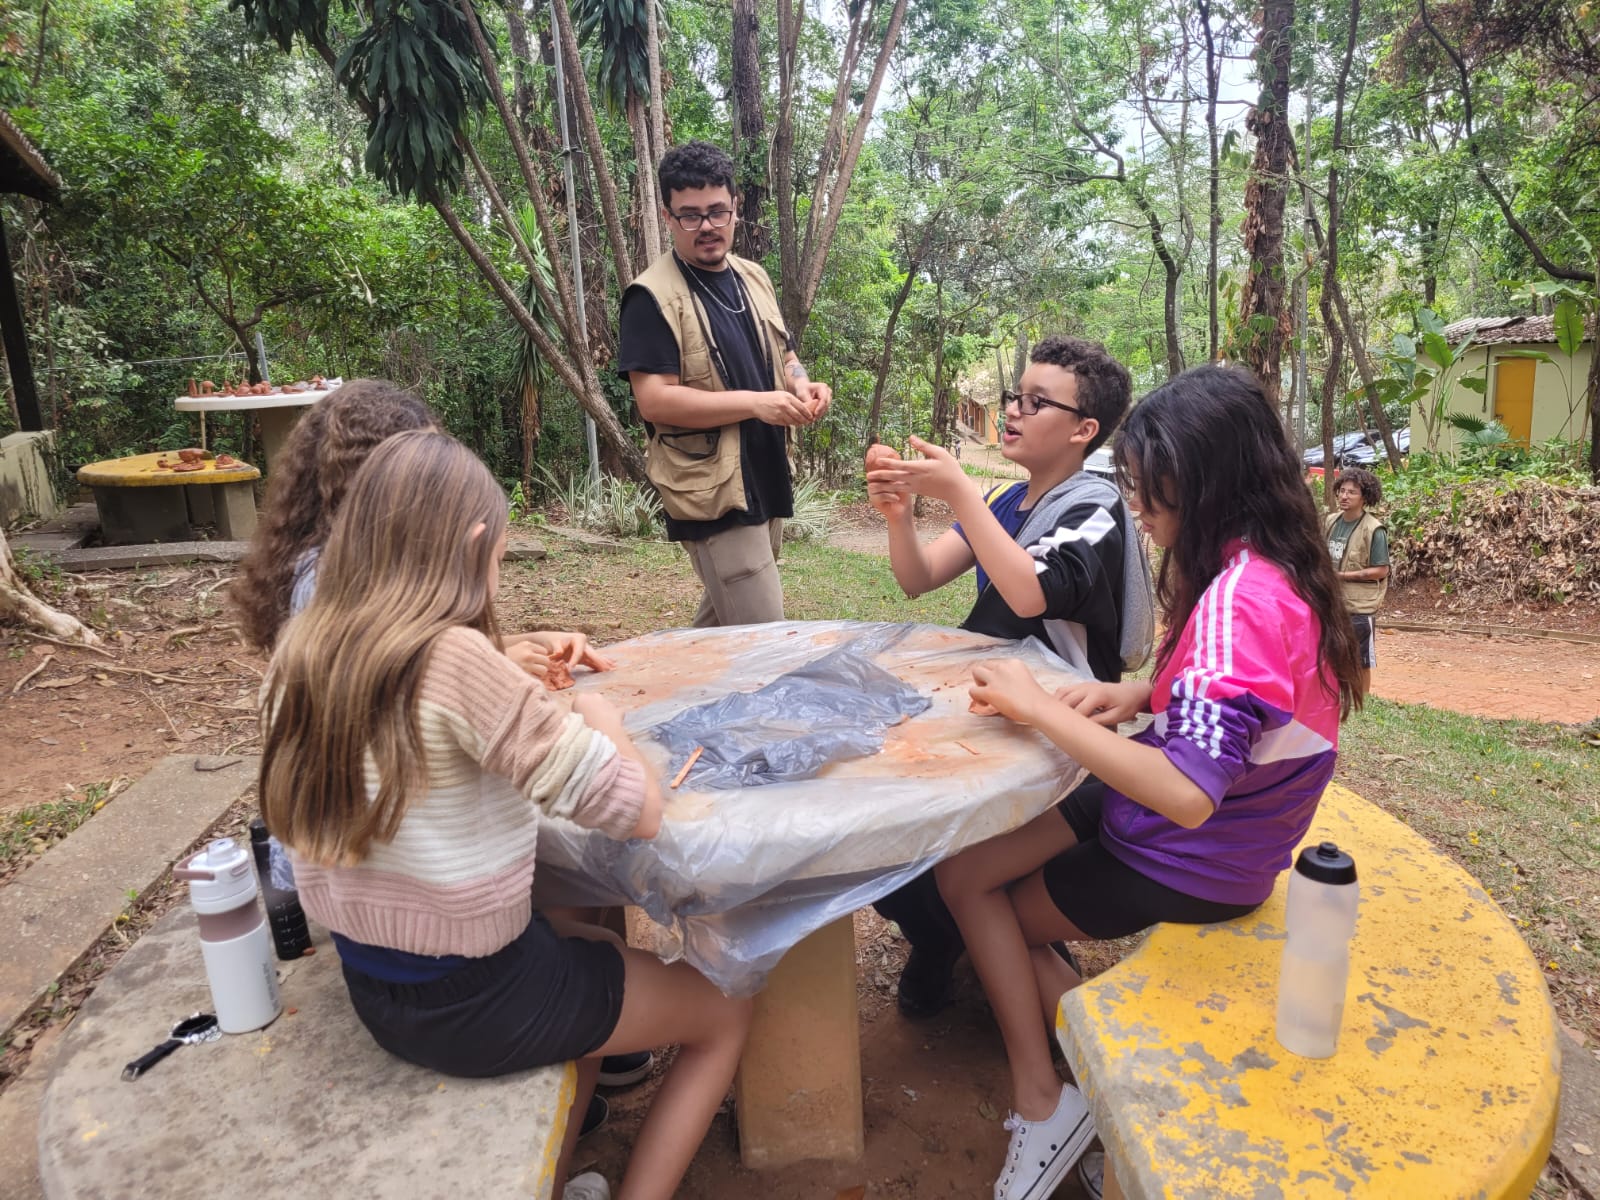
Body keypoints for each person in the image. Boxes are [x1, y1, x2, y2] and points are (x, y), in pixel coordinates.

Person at [258, 431, 752, 1200]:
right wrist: (603, 723)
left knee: (592, 948)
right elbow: (638, 809)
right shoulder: (457, 663)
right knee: (724, 1013)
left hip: (376, 986)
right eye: (498, 558)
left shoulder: (301, 651)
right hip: (479, 999)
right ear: (473, 545)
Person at [935, 366, 1363, 1200]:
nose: (1137, 504)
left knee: (995, 911)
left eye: (1147, 485)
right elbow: (1250, 709)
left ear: (1202, 481)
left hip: (1198, 850)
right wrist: (1139, 695)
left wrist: (1039, 707)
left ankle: (1061, 1098)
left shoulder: (1239, 605)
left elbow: (1187, 793)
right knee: (964, 873)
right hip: (1216, 814)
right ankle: (1083, 1084)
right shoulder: (1266, 566)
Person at [231, 380, 642, 1111]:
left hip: (374, 948)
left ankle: (598, 1068)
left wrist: (504, 656)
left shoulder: (316, 627)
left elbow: (398, 679)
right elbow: (629, 805)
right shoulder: (409, 635)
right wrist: (581, 709)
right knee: (649, 958)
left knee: (594, 931)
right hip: (441, 942)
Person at [864, 335, 1155, 1020]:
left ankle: (1011, 944)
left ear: (1084, 430)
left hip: (1057, 724)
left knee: (943, 845)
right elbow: (918, 577)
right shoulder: (1005, 500)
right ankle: (942, 937)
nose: (1014, 411)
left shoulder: (1092, 509)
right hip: (986, 704)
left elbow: (1030, 593)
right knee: (888, 835)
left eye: (1037, 401)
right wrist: (900, 516)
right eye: (1014, 397)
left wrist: (959, 492)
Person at [618, 140, 832, 627]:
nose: (707, 226)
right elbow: (654, 400)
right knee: (763, 640)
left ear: (735, 207)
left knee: (721, 632)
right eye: (690, 215)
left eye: (717, 211)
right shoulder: (650, 298)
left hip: (765, 473)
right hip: (713, 493)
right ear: (668, 217)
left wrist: (802, 385)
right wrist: (756, 404)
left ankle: (670, 682)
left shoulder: (752, 277)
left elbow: (785, 354)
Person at [1325, 466, 1389, 695]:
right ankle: (1335, 697)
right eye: (1342, 490)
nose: (1344, 496)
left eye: (1352, 492)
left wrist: (1342, 576)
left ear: (1365, 497)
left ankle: (1364, 701)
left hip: (1360, 606)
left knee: (1361, 660)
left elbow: (1381, 570)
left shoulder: (1374, 529)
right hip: (1332, 603)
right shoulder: (1331, 521)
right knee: (1330, 655)